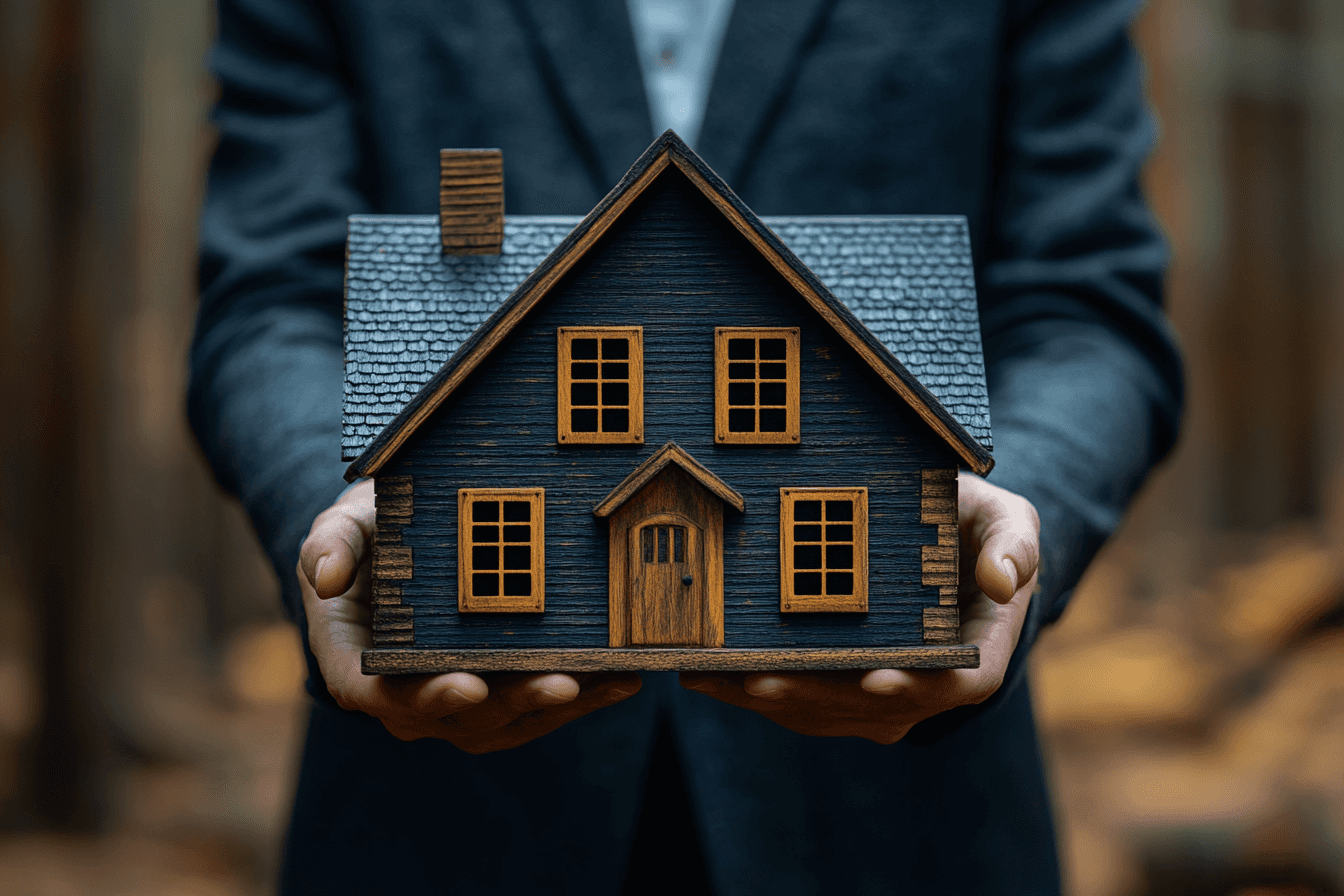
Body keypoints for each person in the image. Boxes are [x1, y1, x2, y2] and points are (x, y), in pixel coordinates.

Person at [189, 0, 1184, 892]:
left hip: (900, 825)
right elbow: (275, 297)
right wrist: (354, 534)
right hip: (438, 824)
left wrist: (996, 539)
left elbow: (1086, 303)